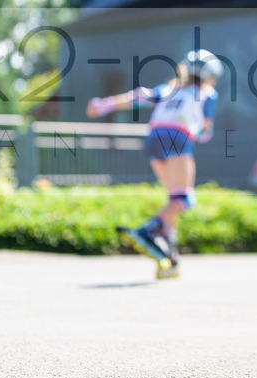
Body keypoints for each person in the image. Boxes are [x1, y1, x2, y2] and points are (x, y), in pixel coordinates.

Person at [86, 49, 223, 279]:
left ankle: (170, 258)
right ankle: (148, 231)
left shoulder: (169, 89)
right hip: (177, 138)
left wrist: (105, 104)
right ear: (210, 75)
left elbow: (138, 97)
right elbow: (206, 129)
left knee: (173, 200)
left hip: (154, 139)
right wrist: (201, 131)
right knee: (183, 198)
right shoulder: (207, 94)